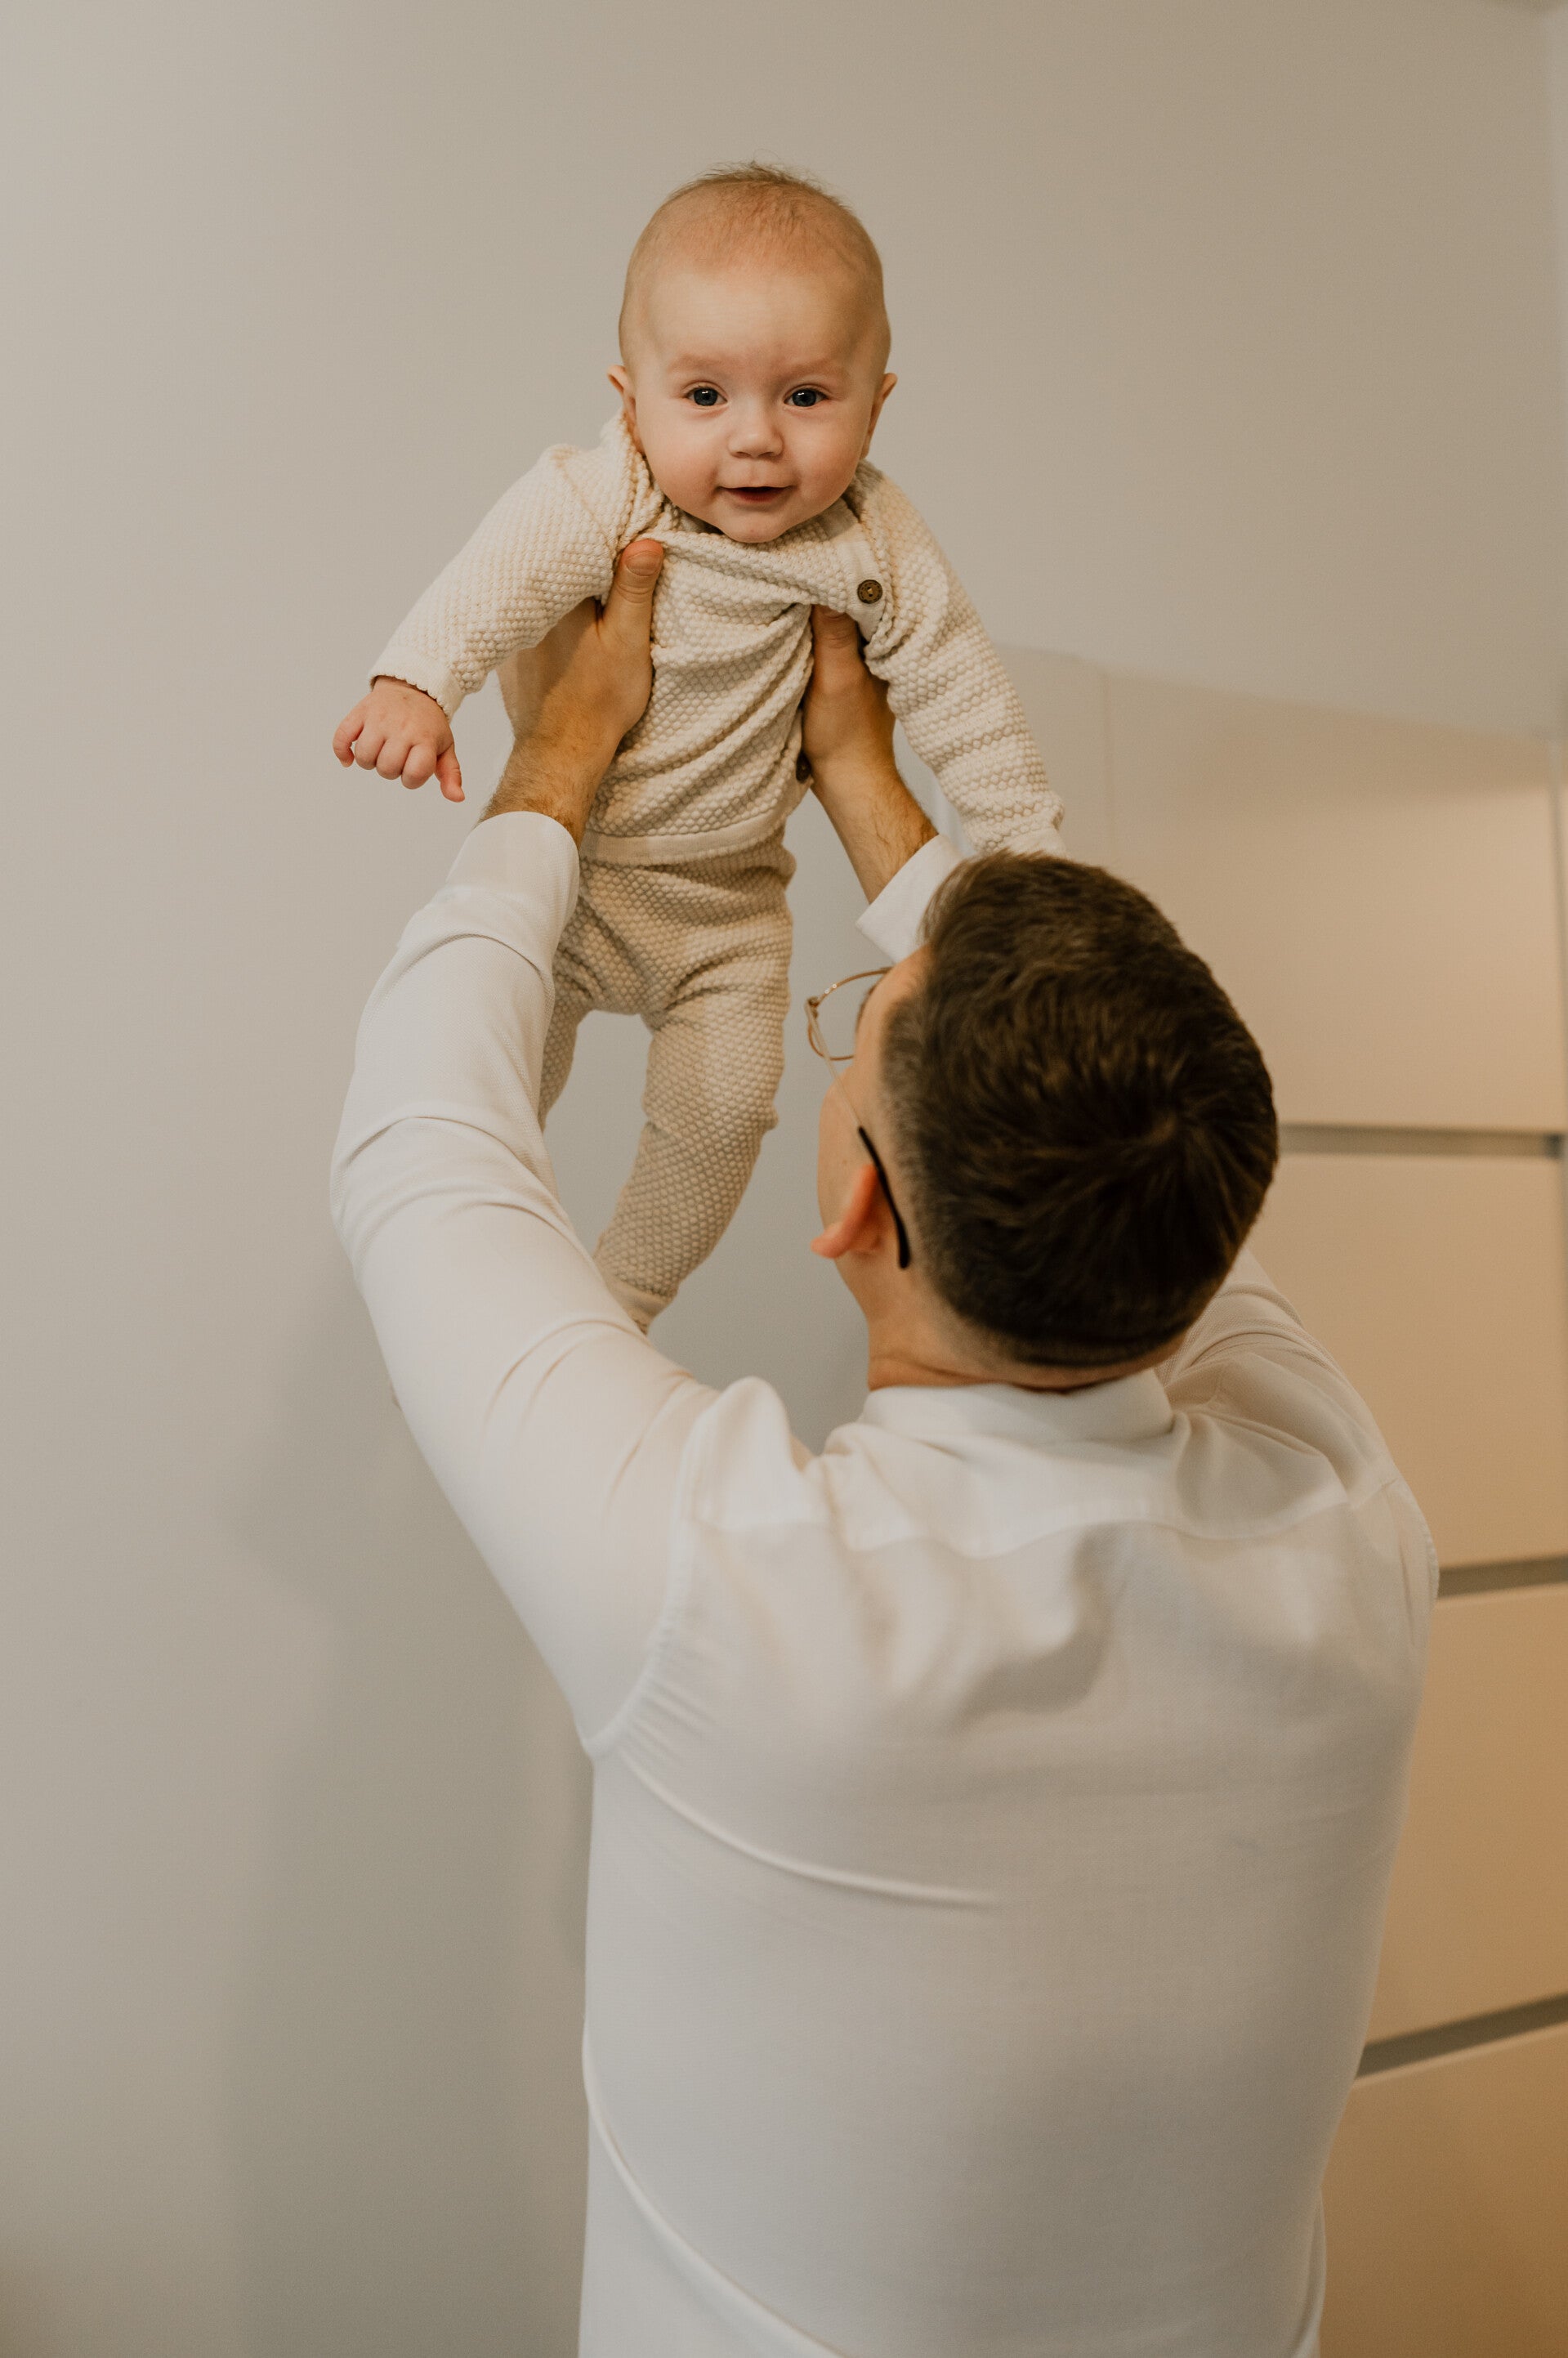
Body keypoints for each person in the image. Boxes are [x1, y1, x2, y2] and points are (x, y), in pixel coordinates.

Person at [330, 543, 1436, 2358]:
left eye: (849, 1049)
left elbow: (421, 1141)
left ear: (851, 1208)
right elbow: (1139, 1137)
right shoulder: (1347, 1526)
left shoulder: (733, 1589)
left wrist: (563, 753)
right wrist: (862, 776)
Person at [331, 163, 1061, 1329]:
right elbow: (496, 579)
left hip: (729, 910)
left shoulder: (873, 535)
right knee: (490, 1080)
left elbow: (960, 689)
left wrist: (1028, 858)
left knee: (725, 1115)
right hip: (582, 881)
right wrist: (416, 679)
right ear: (631, 402)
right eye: (706, 395)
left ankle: (624, 1297)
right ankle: (475, 1279)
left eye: (807, 397)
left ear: (877, 405)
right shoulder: (610, 493)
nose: (757, 440)